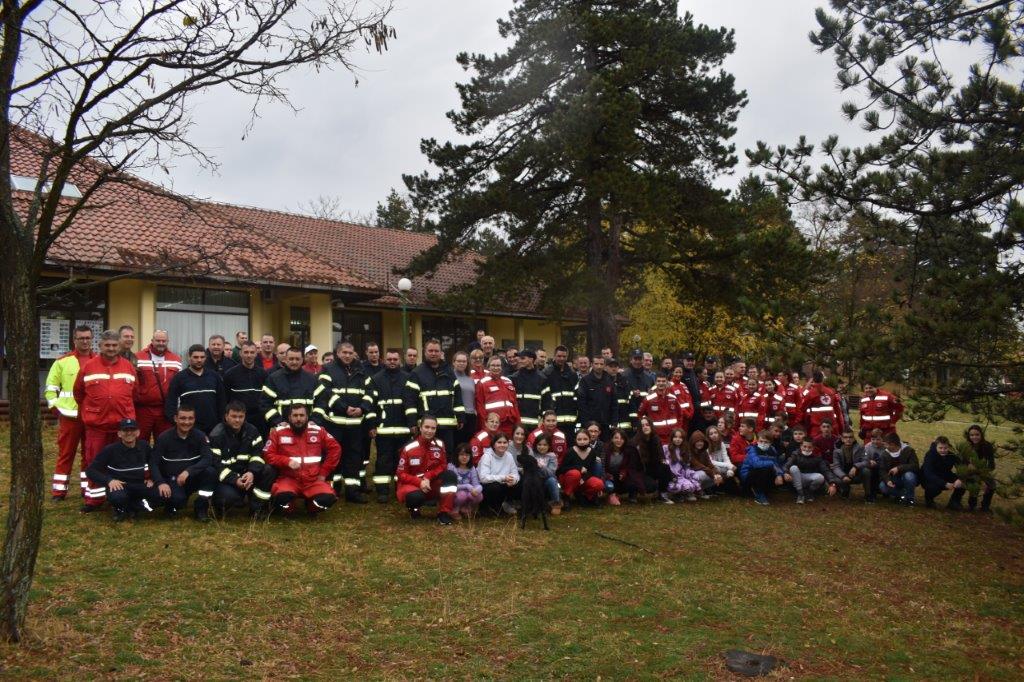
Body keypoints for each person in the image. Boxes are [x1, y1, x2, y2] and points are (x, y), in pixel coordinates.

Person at [73, 329, 138, 512]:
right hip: (97, 425)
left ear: (119, 346)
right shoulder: (89, 367)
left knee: (122, 462)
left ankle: (118, 496)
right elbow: (78, 392)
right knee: (94, 461)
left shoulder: (128, 366)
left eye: (114, 345)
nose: (111, 348)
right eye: (107, 345)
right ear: (100, 346)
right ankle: (94, 499)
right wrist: (92, 409)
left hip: (122, 425)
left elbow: (134, 392)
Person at [313, 341, 373, 503]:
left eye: (350, 353)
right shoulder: (328, 369)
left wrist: (363, 408)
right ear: (337, 353)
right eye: (344, 352)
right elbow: (325, 392)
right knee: (333, 456)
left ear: (354, 354)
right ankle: (333, 487)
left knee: (354, 457)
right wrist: (344, 408)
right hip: (334, 423)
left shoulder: (361, 370)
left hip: (355, 424)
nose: (347, 356)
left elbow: (370, 392)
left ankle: (352, 491)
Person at [263, 404, 341, 517]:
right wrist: (286, 461)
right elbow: (267, 454)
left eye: (301, 415)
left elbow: (335, 449)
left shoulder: (318, 431)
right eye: (295, 415)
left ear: (307, 417)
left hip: (313, 480)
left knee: (329, 498)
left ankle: (312, 507)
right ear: (289, 418)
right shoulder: (278, 432)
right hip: (288, 479)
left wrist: (324, 473)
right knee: (281, 497)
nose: (298, 419)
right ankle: (289, 509)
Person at [45, 324, 94, 500]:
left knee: (89, 454)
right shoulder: (62, 361)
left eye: (88, 338)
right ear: (74, 340)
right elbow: (50, 389)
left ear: (92, 339)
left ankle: (87, 488)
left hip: (91, 416)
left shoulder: (98, 361)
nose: (85, 341)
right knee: (66, 454)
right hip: (69, 417)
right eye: (81, 338)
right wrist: (57, 410)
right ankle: (59, 491)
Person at [149, 405, 217, 521]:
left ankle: (201, 508)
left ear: (194, 419)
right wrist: (160, 482)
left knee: (210, 473)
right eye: (183, 418)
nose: (187, 422)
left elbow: (208, 458)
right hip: (172, 480)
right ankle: (171, 506)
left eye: (190, 418)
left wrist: (188, 471)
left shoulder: (200, 436)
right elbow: (153, 463)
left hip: (192, 477)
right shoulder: (164, 438)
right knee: (178, 500)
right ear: (176, 418)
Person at [209, 401, 275, 518]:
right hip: (228, 479)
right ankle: (220, 506)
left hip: (248, 475)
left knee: (268, 470)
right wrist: (235, 479)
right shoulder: (217, 435)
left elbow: (258, 454)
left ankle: (257, 508)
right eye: (234, 416)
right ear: (226, 416)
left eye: (241, 417)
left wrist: (252, 472)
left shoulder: (252, 431)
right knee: (227, 498)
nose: (237, 420)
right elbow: (216, 464)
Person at [84, 418, 158, 521]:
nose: (129, 433)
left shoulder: (144, 446)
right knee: (118, 498)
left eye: (132, 430)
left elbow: (153, 464)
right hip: (120, 486)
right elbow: (91, 471)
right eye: (125, 430)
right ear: (119, 433)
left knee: (162, 495)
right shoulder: (110, 450)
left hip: (140, 485)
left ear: (138, 432)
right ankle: (120, 509)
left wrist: (152, 478)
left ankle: (133, 507)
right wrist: (109, 481)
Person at [404, 339, 465, 456]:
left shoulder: (449, 371)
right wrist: (412, 422)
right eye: (430, 350)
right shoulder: (417, 373)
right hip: (427, 426)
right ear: (425, 352)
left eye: (436, 351)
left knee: (447, 454)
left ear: (441, 352)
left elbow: (457, 395)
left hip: (447, 424)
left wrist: (461, 417)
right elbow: (410, 400)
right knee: (426, 454)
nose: (433, 353)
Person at [395, 415, 458, 525]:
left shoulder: (440, 444)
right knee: (415, 497)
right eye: (426, 427)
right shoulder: (409, 448)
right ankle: (414, 508)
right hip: (412, 485)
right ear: (420, 428)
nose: (429, 431)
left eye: (433, 428)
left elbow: (443, 465)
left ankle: (443, 513)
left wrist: (428, 477)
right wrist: (419, 482)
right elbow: (401, 474)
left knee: (450, 475)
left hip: (431, 483)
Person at [367, 348, 412, 502]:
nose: (392, 362)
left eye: (395, 359)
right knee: (383, 460)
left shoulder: (408, 378)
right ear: (384, 360)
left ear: (400, 361)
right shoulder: (376, 379)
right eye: (389, 359)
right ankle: (382, 491)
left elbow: (412, 403)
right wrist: (372, 425)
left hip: (404, 429)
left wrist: (413, 424)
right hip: (383, 429)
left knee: (401, 460)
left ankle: (400, 487)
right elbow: (371, 405)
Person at [164, 344, 227, 435]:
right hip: (188, 428)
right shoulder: (179, 378)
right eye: (195, 357)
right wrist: (177, 423)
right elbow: (171, 403)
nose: (199, 360)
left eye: (202, 357)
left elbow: (222, 401)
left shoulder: (214, 376)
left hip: (213, 428)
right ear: (189, 357)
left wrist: (221, 423)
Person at [134, 330, 181, 444]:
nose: (161, 343)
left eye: (163, 341)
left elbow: (179, 384)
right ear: (152, 341)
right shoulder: (138, 357)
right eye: (158, 340)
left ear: (167, 341)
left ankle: (161, 462)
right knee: (140, 441)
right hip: (143, 409)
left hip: (165, 409)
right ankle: (142, 462)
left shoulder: (176, 359)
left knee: (164, 441)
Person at [261, 346, 317, 430]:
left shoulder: (311, 379)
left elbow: (321, 401)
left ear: (302, 360)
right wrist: (277, 421)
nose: (294, 362)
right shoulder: (274, 378)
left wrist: (314, 420)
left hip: (307, 428)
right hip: (281, 428)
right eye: (291, 359)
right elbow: (264, 403)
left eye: (297, 359)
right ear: (285, 359)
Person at [222, 340, 268, 435]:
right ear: (240, 353)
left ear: (256, 354)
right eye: (246, 352)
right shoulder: (230, 374)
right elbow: (225, 399)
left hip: (259, 420)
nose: (249, 355)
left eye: (252, 352)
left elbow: (266, 398)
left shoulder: (263, 374)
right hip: (238, 420)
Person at [556, 429, 605, 505]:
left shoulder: (592, 452)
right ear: (575, 440)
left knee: (599, 484)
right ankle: (566, 497)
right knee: (575, 473)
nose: (582, 442)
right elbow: (561, 469)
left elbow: (591, 471)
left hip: (583, 479)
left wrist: (583, 479)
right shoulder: (570, 451)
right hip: (569, 479)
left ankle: (583, 496)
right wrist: (578, 468)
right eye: (579, 439)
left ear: (589, 440)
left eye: (585, 439)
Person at [621, 418, 665, 502]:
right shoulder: (634, 443)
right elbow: (631, 466)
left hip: (650, 469)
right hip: (636, 471)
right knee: (645, 484)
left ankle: (662, 494)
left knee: (665, 468)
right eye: (642, 426)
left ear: (651, 426)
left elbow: (660, 458)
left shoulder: (656, 439)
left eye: (647, 425)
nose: (645, 427)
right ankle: (633, 493)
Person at [475, 356, 520, 436]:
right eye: (493, 365)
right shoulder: (482, 383)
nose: (496, 368)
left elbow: (515, 404)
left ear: (502, 367)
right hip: (494, 425)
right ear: (488, 367)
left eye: (498, 365)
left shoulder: (508, 381)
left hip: (510, 423)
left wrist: (518, 423)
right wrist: (485, 426)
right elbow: (480, 406)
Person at [739, 429, 786, 506]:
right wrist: (771, 463)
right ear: (757, 441)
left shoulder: (772, 450)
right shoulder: (753, 449)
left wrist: (779, 474)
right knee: (763, 469)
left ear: (770, 443)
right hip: (748, 475)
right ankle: (758, 493)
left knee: (771, 470)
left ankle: (764, 490)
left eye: (766, 442)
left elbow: (777, 464)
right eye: (761, 441)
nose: (763, 443)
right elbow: (756, 464)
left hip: (763, 474)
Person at [784, 438, 837, 504]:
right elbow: (787, 464)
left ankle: (809, 492)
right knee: (793, 468)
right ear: (801, 446)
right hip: (797, 478)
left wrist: (832, 483)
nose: (806, 449)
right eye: (804, 446)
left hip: (809, 478)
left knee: (820, 477)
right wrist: (786, 473)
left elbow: (826, 470)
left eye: (809, 447)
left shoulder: (817, 457)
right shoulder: (795, 454)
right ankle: (800, 494)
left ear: (813, 448)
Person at [958, 424, 996, 512]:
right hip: (969, 471)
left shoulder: (987, 446)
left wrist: (983, 475)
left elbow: (991, 464)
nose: (974, 437)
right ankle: (972, 505)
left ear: (981, 435)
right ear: (969, 436)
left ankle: (985, 506)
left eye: (977, 435)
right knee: (974, 483)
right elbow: (962, 462)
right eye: (972, 435)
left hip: (983, 471)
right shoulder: (966, 446)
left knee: (992, 484)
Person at [576, 357, 617, 439]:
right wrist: (586, 423)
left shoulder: (609, 381)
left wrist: (614, 421)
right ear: (592, 365)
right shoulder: (585, 381)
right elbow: (582, 404)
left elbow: (614, 403)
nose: (599, 366)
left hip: (606, 423)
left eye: (601, 364)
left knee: (605, 447)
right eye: (596, 364)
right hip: (590, 424)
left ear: (605, 365)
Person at [921, 436, 966, 510]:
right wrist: (944, 483)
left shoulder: (951, 455)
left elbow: (961, 467)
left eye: (945, 448)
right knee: (935, 488)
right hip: (929, 479)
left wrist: (958, 479)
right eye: (940, 448)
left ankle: (954, 502)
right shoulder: (930, 455)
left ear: (948, 447)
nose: (943, 450)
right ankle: (929, 500)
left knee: (962, 482)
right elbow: (928, 473)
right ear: (936, 447)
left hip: (945, 475)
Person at [542, 345, 579, 434]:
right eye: (559, 356)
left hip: (571, 419)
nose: (561, 358)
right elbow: (544, 396)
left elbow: (577, 395)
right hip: (554, 419)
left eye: (564, 356)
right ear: (554, 356)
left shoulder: (572, 374)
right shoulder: (547, 373)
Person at [798, 370, 845, 438]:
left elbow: (802, 409)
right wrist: (841, 429)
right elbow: (838, 413)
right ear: (823, 379)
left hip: (816, 429)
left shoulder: (811, 393)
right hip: (832, 429)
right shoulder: (831, 392)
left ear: (813, 379)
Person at [879, 432, 919, 506]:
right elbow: (882, 470)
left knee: (909, 476)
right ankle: (902, 495)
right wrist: (887, 480)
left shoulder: (908, 450)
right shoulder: (884, 454)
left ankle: (910, 499)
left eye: (886, 444)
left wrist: (899, 468)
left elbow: (915, 466)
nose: (885, 446)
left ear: (893, 444)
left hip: (906, 477)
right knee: (882, 486)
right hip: (894, 479)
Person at [830, 429, 872, 500]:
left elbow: (866, 461)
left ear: (853, 438)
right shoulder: (836, 451)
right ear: (842, 439)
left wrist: (855, 466)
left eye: (850, 437)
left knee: (866, 471)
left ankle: (868, 494)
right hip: (844, 475)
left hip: (856, 474)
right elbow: (836, 467)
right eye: (846, 437)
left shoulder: (860, 447)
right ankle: (845, 490)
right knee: (835, 476)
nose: (848, 439)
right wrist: (843, 476)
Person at [663, 428, 702, 502]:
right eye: (675, 437)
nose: (677, 439)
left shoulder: (685, 450)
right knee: (675, 485)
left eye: (680, 437)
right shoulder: (666, 448)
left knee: (691, 481)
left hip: (681, 474)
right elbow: (663, 461)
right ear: (672, 438)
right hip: (670, 474)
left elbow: (686, 466)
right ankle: (674, 494)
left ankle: (683, 494)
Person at [512, 349, 546, 430]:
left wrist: (543, 421)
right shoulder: (513, 378)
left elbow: (547, 403)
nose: (519, 361)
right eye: (519, 358)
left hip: (535, 425)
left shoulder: (542, 379)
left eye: (523, 358)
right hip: (517, 425)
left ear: (531, 360)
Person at [530, 433, 562, 514]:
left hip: (546, 481)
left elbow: (551, 473)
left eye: (545, 445)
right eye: (539, 444)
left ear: (549, 446)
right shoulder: (532, 454)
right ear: (536, 445)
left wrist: (541, 466)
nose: (542, 447)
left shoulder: (552, 456)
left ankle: (556, 503)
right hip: (535, 480)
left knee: (552, 480)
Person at [449, 443, 483, 520]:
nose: (464, 457)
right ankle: (455, 509)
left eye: (467, 455)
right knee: (462, 495)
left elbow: (476, 484)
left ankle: (467, 508)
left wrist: (477, 489)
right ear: (457, 455)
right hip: (455, 493)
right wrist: (467, 486)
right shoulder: (452, 467)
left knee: (479, 495)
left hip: (468, 493)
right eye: (461, 455)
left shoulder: (472, 468)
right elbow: (452, 485)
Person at [623, 350, 656, 429]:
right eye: (635, 359)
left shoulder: (649, 378)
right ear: (631, 360)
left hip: (644, 417)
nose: (637, 362)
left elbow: (653, 397)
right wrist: (631, 393)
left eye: (640, 359)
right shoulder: (623, 376)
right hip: (627, 416)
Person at [452, 351, 478, 447]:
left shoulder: (471, 380)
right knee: (457, 445)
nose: (461, 363)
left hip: (470, 417)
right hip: (457, 416)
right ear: (453, 362)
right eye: (459, 361)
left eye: (464, 361)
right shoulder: (450, 378)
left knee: (468, 445)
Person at [688, 430, 722, 495]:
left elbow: (710, 464)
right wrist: (713, 475)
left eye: (701, 441)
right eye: (697, 441)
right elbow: (698, 465)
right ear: (693, 442)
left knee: (718, 471)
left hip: (703, 470)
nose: (700, 443)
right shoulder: (689, 452)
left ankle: (700, 490)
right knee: (703, 474)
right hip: (690, 474)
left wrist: (717, 474)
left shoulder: (704, 451)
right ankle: (691, 491)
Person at [601, 428, 629, 505]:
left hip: (619, 477)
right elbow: (602, 466)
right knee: (609, 486)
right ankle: (611, 494)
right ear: (612, 439)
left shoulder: (627, 451)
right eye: (616, 438)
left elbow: (627, 466)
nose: (619, 440)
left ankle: (618, 494)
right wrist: (607, 475)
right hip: (607, 476)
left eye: (621, 438)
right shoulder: (605, 449)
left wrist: (623, 473)